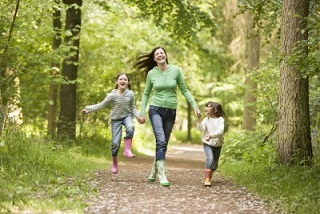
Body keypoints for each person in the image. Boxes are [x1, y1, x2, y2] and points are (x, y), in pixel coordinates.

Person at [134, 46, 201, 187]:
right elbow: (146, 94)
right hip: (155, 109)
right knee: (161, 140)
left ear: (165, 55)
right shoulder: (152, 73)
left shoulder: (175, 71)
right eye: (157, 54)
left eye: (162, 53)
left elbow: (184, 89)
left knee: (163, 143)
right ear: (154, 58)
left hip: (171, 110)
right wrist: (142, 112)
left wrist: (194, 105)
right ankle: (162, 174)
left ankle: (154, 170)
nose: (160, 55)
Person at [81, 73, 144, 174]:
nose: (123, 81)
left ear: (128, 83)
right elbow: (101, 105)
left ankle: (127, 150)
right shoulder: (112, 96)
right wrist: (88, 109)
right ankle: (114, 163)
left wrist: (138, 117)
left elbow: (133, 108)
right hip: (115, 120)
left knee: (130, 127)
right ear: (117, 82)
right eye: (120, 79)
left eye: (125, 79)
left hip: (127, 116)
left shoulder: (130, 94)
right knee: (115, 143)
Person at [196, 101, 225, 187]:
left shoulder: (220, 120)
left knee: (215, 165)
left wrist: (211, 135)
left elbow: (220, 131)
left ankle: (210, 172)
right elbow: (200, 129)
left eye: (208, 107)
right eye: (206, 106)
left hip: (217, 144)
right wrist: (199, 119)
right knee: (210, 158)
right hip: (207, 143)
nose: (206, 108)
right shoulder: (206, 119)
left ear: (215, 110)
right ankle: (207, 178)